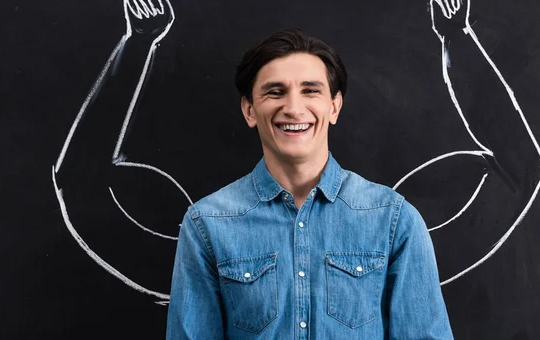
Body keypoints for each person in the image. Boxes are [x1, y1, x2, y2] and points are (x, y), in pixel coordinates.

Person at [166, 28, 453, 339]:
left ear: (334, 106)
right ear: (249, 109)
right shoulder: (207, 224)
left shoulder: (394, 221)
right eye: (275, 92)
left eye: (311, 91)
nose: (293, 108)